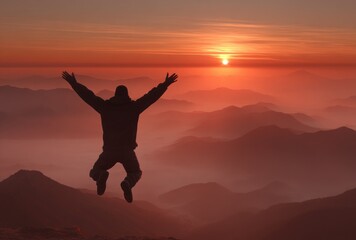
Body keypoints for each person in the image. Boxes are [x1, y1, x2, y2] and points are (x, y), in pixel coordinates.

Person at [62, 71, 178, 203]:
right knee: (135, 172)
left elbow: (89, 96)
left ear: (115, 94)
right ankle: (127, 183)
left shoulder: (105, 107)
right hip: (127, 151)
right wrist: (165, 85)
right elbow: (150, 97)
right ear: (127, 95)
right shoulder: (134, 107)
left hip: (109, 151)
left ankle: (101, 175)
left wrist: (74, 84)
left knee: (95, 170)